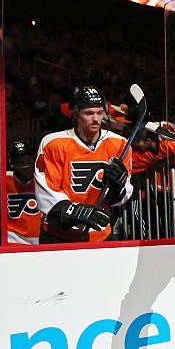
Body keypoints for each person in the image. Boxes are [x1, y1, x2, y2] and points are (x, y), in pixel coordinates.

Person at [35, 86, 132, 244]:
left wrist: (117, 187)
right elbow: (47, 190)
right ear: (76, 114)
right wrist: (76, 212)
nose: (95, 119)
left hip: (100, 233)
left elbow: (122, 194)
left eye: (99, 113)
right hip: (58, 235)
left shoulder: (119, 144)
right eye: (89, 113)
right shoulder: (53, 143)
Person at [0, 140, 41, 245]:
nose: (25, 165)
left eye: (28, 160)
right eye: (19, 162)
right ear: (11, 163)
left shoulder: (44, 179)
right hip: (11, 236)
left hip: (40, 236)